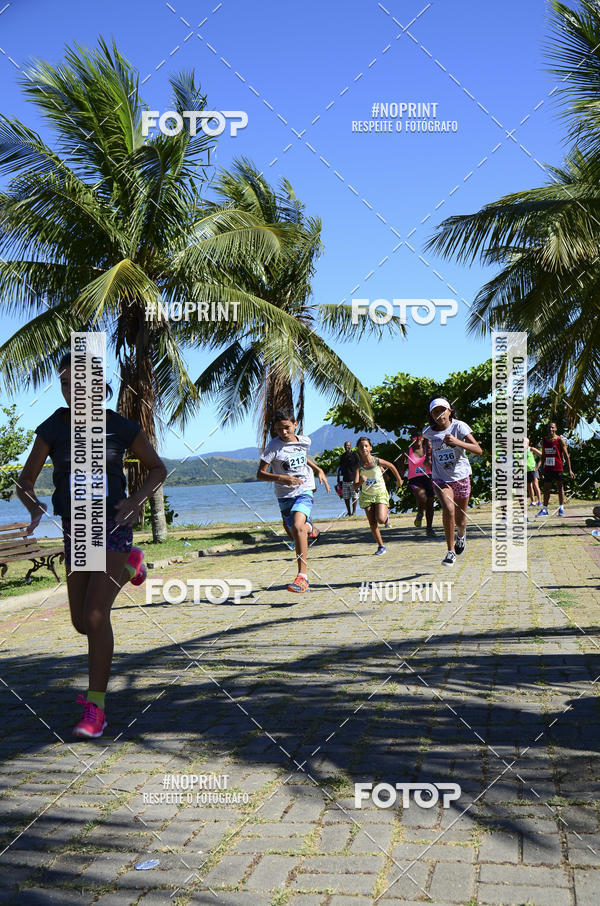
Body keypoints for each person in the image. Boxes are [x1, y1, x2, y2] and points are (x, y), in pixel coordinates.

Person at [17, 353, 167, 739]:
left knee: (97, 616)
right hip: (76, 528)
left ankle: (96, 707)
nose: (71, 390)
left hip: (113, 523)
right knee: (81, 622)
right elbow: (25, 480)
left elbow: (157, 469)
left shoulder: (120, 426)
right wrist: (34, 505)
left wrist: (136, 501)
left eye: (79, 384)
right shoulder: (53, 427)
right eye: (65, 384)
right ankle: (132, 565)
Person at [257, 408, 330, 593]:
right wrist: (283, 478)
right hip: (284, 495)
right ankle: (310, 529)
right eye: (279, 429)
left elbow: (302, 457)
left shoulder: (305, 440)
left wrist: (319, 469)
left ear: (295, 425)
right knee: (294, 532)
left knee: (297, 526)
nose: (284, 432)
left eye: (287, 428)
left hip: (304, 489)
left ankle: (302, 577)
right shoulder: (273, 447)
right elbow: (260, 474)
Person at [423, 398, 482, 567]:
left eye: (442, 410)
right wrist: (428, 459)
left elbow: (478, 450)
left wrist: (457, 442)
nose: (439, 414)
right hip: (440, 478)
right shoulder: (428, 432)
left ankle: (461, 535)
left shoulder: (459, 426)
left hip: (461, 477)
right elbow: (430, 452)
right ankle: (450, 552)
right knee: (448, 509)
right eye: (435, 412)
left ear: (450, 411)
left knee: (460, 520)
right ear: (431, 415)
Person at [354, 437, 403, 556]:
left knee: (381, 519)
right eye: (361, 446)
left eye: (366, 446)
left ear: (370, 448)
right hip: (366, 495)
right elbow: (354, 486)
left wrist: (399, 480)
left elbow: (391, 466)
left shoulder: (376, 461)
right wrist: (360, 482)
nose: (364, 448)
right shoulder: (358, 466)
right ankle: (381, 546)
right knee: (372, 523)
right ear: (358, 449)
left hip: (380, 493)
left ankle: (386, 514)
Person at [536, 421, 574, 517]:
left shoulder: (560, 440)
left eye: (552, 427)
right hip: (548, 468)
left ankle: (561, 508)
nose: (551, 429)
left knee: (560, 488)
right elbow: (543, 455)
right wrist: (541, 468)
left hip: (558, 467)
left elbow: (566, 456)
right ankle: (544, 509)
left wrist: (570, 470)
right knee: (546, 488)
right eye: (549, 427)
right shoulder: (544, 440)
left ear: (556, 429)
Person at [405, 433, 435, 536]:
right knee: (422, 497)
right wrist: (399, 476)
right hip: (414, 479)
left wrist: (429, 461)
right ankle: (420, 512)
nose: (417, 439)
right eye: (414, 437)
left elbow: (435, 464)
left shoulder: (428, 449)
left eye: (419, 437)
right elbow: (400, 462)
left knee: (430, 504)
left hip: (428, 478)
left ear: (423, 438)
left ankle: (429, 528)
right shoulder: (408, 450)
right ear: (411, 439)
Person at [338, 440, 361, 516]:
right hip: (345, 479)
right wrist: (338, 478)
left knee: (354, 497)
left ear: (351, 446)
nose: (347, 447)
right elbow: (340, 467)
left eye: (348, 445)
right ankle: (349, 512)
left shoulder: (355, 455)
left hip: (353, 479)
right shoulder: (343, 456)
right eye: (345, 446)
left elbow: (359, 467)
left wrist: (357, 480)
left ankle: (354, 512)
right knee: (346, 497)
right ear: (344, 447)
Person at [526, 436, 542, 507]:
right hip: (526, 471)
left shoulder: (531, 449)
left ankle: (540, 501)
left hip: (533, 470)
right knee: (529, 486)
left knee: (535, 485)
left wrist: (537, 466)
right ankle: (533, 501)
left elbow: (542, 455)